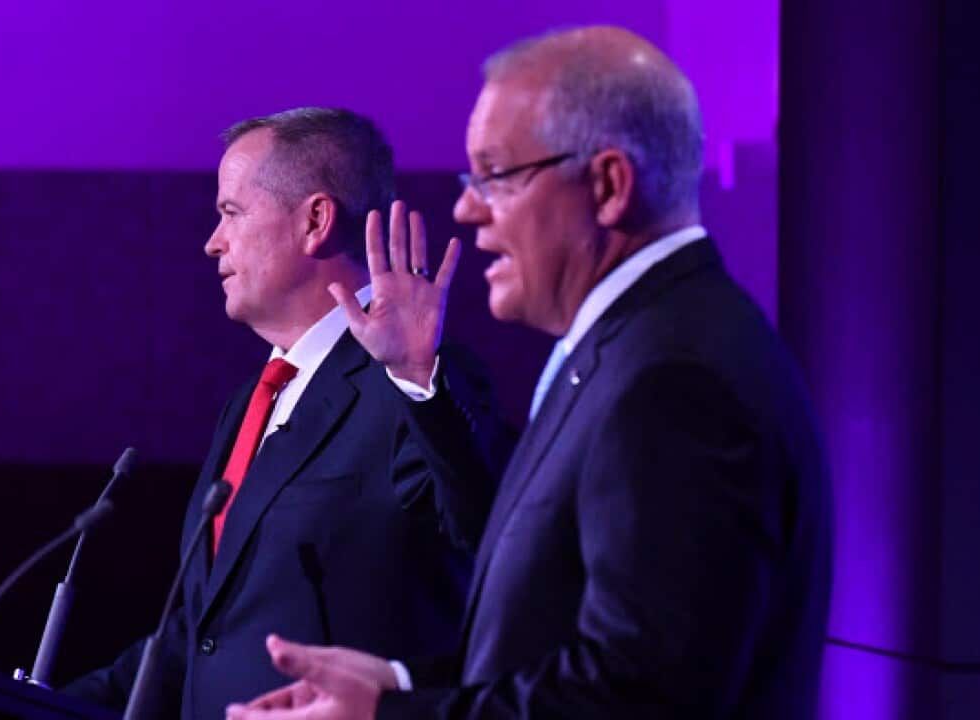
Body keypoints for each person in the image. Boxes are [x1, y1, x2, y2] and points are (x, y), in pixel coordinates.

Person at [226, 26, 833, 720]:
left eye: (496, 176)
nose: (465, 207)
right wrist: (394, 681)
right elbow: (552, 646)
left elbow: (635, 697)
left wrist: (388, 718)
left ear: (607, 186)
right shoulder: (635, 345)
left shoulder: (675, 379)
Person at [65, 107, 509, 720]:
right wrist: (31, 707)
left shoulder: (415, 380)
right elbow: (202, 635)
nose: (212, 241)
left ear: (315, 221)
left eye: (230, 213)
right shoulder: (251, 400)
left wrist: (417, 376)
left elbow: (491, 534)